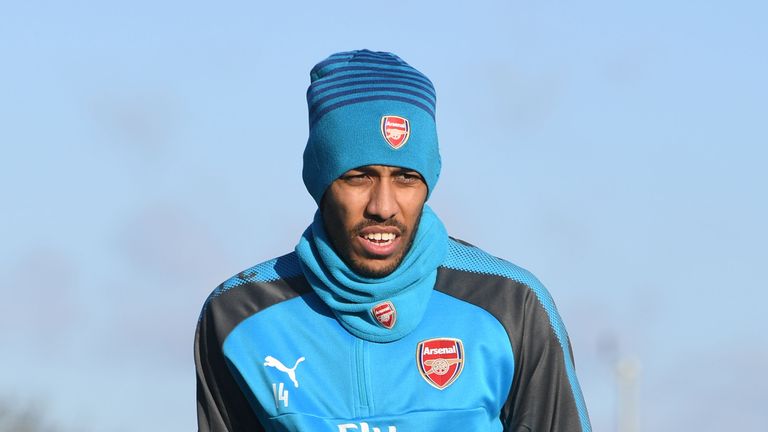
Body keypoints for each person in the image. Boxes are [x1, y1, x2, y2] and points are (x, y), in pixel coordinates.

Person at [195, 49, 591, 432]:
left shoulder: (511, 305)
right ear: (320, 181)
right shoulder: (240, 318)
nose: (383, 206)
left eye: (406, 178)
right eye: (358, 176)